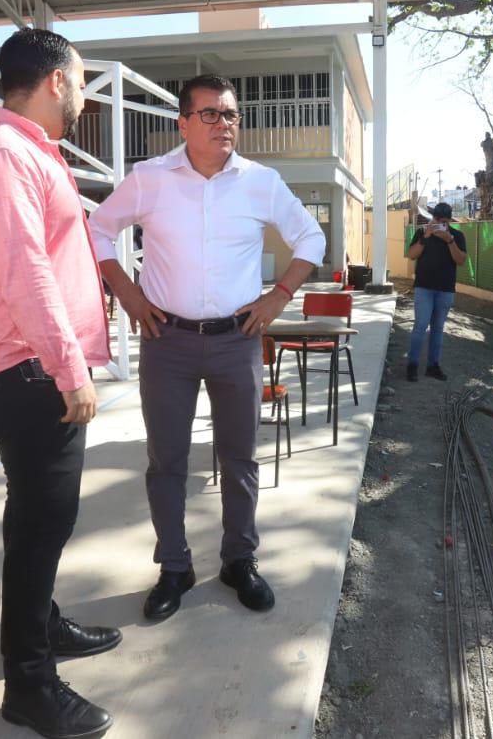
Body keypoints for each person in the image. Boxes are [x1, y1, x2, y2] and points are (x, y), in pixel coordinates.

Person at [90, 73, 325, 623]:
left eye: (232, 115)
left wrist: (279, 296)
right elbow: (99, 230)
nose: (225, 124)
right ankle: (175, 567)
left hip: (236, 341)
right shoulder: (150, 179)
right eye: (212, 114)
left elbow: (310, 237)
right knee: (165, 461)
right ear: (183, 122)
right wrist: (127, 294)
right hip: (166, 341)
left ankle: (239, 560)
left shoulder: (260, 181)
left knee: (239, 459)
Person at [0, 28, 117, 739]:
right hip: (26, 372)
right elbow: (26, 269)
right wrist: (68, 366)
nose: (82, 96)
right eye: (80, 82)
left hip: (27, 367)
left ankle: (42, 625)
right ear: (55, 81)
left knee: (36, 516)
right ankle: (29, 680)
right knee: (43, 524)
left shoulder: (25, 154)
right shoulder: (3, 154)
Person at [405, 202, 468, 382]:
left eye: (445, 222)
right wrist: (426, 236)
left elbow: (461, 259)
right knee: (420, 326)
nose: (441, 224)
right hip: (424, 288)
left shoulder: (457, 236)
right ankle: (412, 365)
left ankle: (433, 366)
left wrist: (449, 240)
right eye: (438, 221)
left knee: (438, 329)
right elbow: (412, 254)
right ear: (433, 218)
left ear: (449, 220)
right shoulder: (422, 232)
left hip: (445, 290)